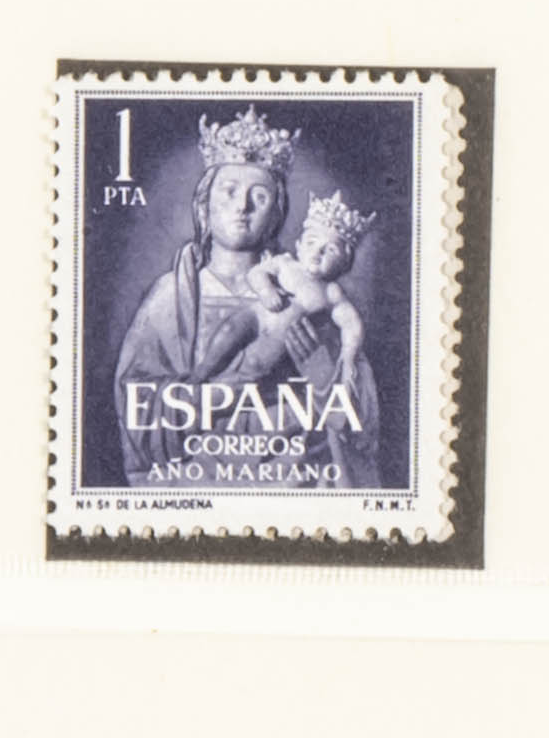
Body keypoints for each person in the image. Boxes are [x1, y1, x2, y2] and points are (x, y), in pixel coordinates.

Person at [109, 104, 376, 482]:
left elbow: (362, 428)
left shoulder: (305, 293)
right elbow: (137, 411)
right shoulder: (171, 297)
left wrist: (323, 376)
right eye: (229, 191)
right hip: (197, 482)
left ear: (276, 212)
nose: (242, 207)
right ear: (205, 205)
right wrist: (227, 386)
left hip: (296, 481)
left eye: (260, 196)